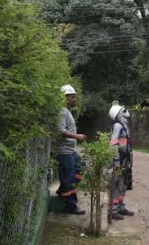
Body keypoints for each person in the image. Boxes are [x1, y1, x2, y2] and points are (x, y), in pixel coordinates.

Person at [56, 85, 86, 215]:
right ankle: (70, 206)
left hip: (70, 151)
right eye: (72, 97)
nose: (75, 99)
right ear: (65, 98)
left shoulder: (66, 111)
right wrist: (77, 136)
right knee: (68, 177)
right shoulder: (62, 111)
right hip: (64, 152)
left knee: (81, 167)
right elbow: (60, 131)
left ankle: (63, 189)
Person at [108, 102, 135, 220]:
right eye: (123, 111)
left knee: (124, 184)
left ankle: (120, 207)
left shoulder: (124, 126)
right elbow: (113, 145)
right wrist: (117, 162)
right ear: (118, 114)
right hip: (119, 160)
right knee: (116, 185)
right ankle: (113, 211)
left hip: (125, 160)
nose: (126, 113)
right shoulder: (118, 126)